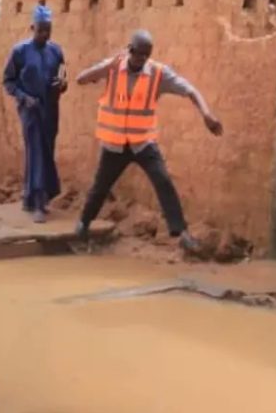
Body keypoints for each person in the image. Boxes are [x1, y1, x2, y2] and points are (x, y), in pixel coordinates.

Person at [73, 29, 223, 253]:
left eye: (146, 55)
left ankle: (182, 233)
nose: (142, 59)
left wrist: (206, 114)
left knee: (163, 181)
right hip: (115, 144)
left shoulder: (158, 74)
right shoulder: (114, 67)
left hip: (143, 143)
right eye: (138, 54)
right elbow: (81, 79)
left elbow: (190, 90)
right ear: (130, 50)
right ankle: (83, 226)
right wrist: (106, 68)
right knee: (100, 187)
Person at [2, 4, 67, 222]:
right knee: (37, 151)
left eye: (48, 29)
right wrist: (24, 97)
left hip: (50, 109)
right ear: (32, 28)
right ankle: (39, 202)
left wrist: (62, 84)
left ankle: (30, 197)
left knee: (46, 151)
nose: (45, 34)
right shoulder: (20, 52)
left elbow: (63, 77)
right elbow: (8, 82)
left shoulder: (56, 51)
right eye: (41, 30)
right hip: (30, 110)